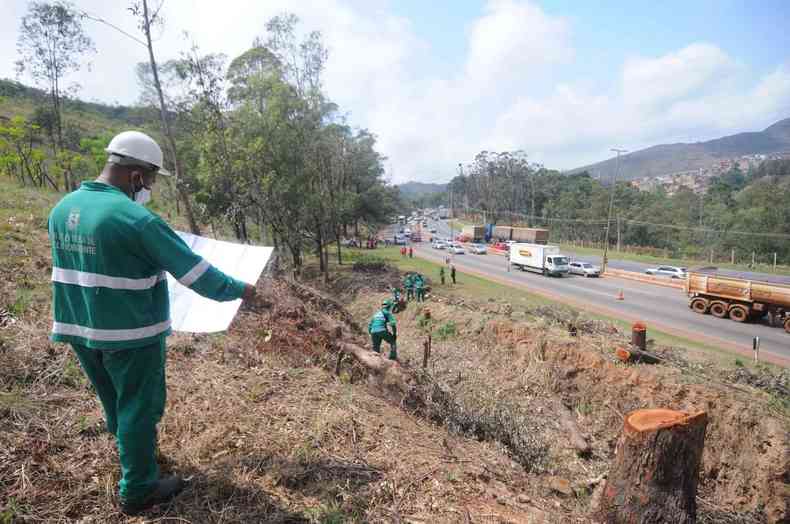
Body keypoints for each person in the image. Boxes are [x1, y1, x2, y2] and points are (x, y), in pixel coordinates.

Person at [47, 131, 257, 515]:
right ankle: (139, 488)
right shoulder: (136, 219)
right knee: (140, 407)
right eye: (151, 180)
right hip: (129, 333)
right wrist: (245, 290)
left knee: (115, 402)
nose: (149, 189)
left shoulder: (63, 208)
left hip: (79, 327)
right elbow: (201, 277)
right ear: (137, 176)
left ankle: (134, 454)